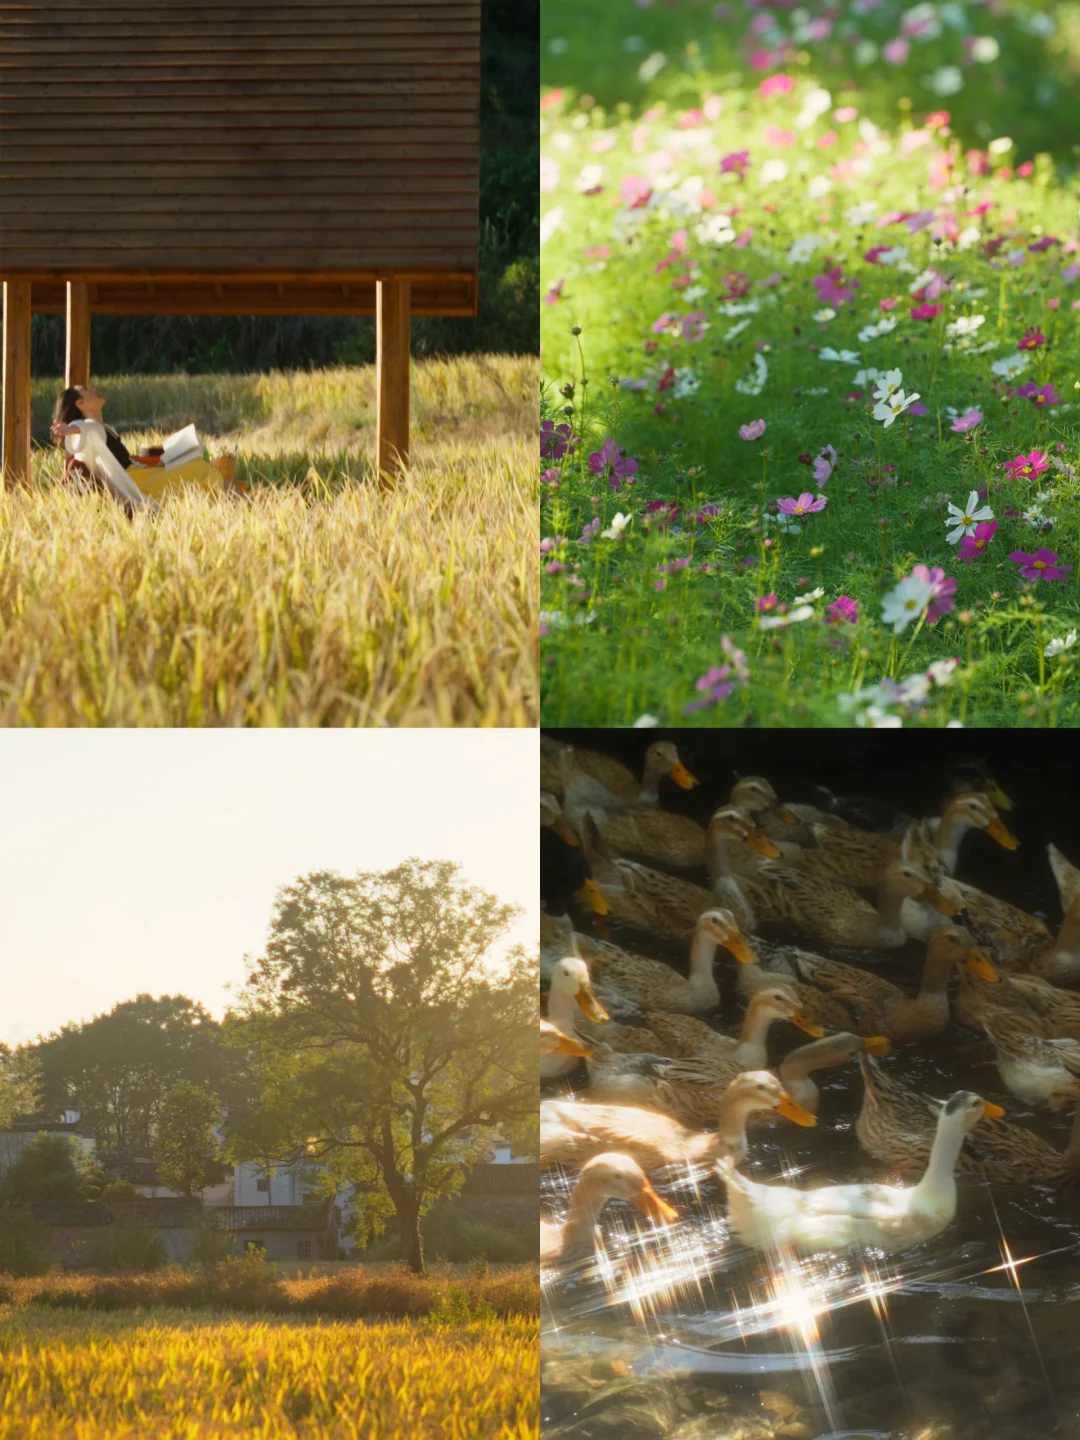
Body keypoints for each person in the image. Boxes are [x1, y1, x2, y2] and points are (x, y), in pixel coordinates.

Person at [50, 385, 237, 510]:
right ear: (80, 403)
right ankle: (246, 503)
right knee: (199, 469)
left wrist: (157, 463)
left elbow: (123, 458)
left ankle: (236, 506)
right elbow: (86, 429)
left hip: (143, 475)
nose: (94, 390)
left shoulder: (105, 429)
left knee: (194, 461)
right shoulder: (91, 429)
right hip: (137, 484)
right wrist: (70, 429)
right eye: (86, 391)